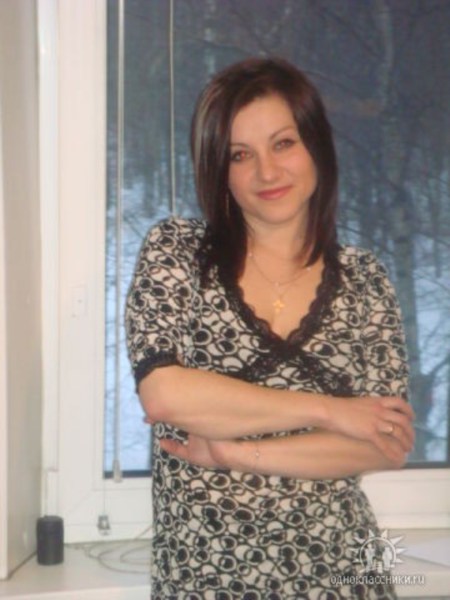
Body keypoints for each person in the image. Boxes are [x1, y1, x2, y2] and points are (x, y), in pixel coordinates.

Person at [125, 57, 415, 600]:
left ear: (315, 147)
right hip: (205, 577)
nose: (267, 172)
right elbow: (165, 394)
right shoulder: (178, 252)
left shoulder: (365, 280)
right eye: (241, 154)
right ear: (219, 169)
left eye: (283, 143)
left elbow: (386, 445)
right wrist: (330, 412)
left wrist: (235, 452)